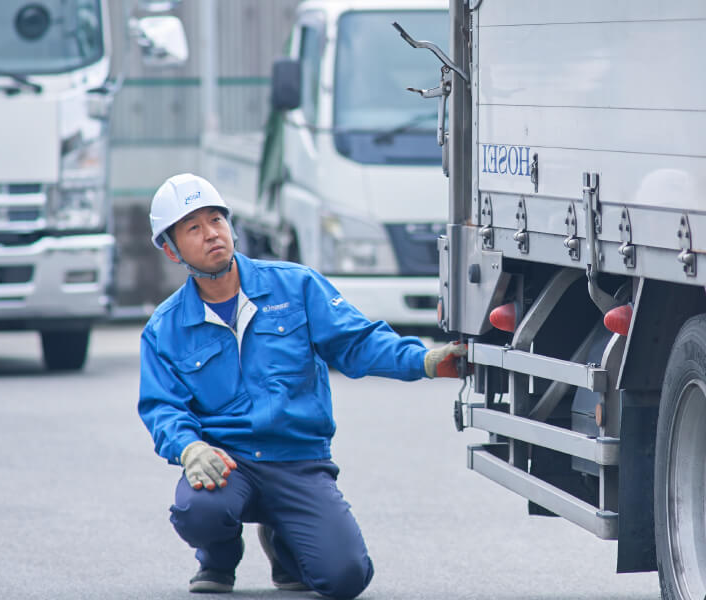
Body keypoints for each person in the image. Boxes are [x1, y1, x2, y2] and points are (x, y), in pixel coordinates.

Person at [138, 173, 466, 597]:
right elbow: (163, 408)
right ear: (170, 249)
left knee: (346, 577)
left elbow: (357, 342)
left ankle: (284, 543)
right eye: (193, 228)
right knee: (198, 509)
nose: (212, 234)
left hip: (298, 461)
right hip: (228, 463)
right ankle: (218, 556)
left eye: (216, 219)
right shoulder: (165, 328)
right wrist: (190, 448)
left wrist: (423, 360)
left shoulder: (296, 286)